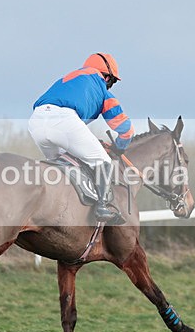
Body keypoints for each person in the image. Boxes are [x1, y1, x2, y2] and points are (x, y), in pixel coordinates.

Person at [29, 52, 135, 223]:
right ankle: (103, 206)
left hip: (36, 121)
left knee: (61, 164)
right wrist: (120, 146)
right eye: (112, 82)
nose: (109, 86)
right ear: (106, 76)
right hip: (63, 120)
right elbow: (125, 128)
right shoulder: (100, 87)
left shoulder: (69, 78)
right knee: (103, 161)